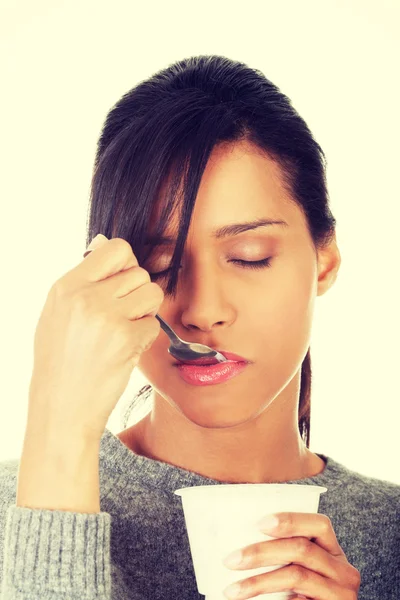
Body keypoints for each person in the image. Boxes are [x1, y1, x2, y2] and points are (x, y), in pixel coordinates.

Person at [0, 54, 398, 600]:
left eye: (250, 256)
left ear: (324, 259)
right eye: (160, 267)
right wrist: (58, 434)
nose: (202, 309)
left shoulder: (391, 536)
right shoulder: (14, 509)